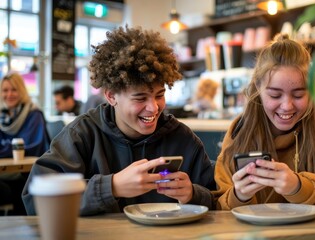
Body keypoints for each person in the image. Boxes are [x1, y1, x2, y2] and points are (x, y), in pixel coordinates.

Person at [22, 26, 216, 216]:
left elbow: (217, 199)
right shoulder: (81, 135)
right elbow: (35, 199)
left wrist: (192, 194)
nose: (154, 107)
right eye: (140, 98)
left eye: (159, 95)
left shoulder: (182, 138)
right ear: (111, 96)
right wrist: (111, 187)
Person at [213, 34, 315, 212]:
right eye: (275, 95)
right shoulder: (240, 132)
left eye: (298, 95)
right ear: (258, 87)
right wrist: (239, 196)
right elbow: (220, 208)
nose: (287, 106)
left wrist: (298, 187)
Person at [0, 72, 50, 215]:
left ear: (21, 91)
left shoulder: (34, 115)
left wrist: (5, 148)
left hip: (25, 176)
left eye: (14, 89)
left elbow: (31, 147)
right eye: (5, 90)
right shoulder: (2, 115)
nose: (9, 94)